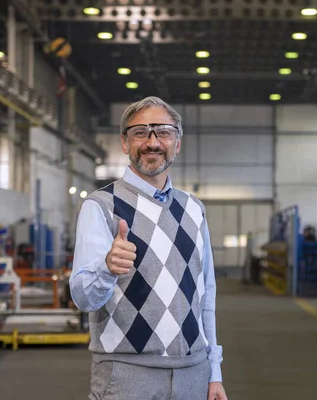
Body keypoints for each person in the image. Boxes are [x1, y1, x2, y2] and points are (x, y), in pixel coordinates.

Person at [69, 96, 227, 400]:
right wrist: (107, 268)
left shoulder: (194, 208)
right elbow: (83, 298)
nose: (152, 142)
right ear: (125, 143)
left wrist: (214, 371)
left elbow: (206, 296)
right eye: (140, 132)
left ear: (177, 144)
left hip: (193, 374)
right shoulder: (101, 206)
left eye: (164, 132)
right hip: (126, 374)